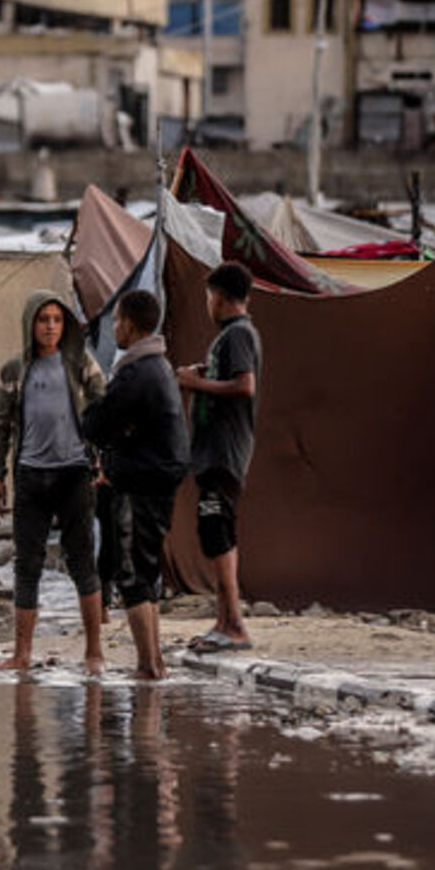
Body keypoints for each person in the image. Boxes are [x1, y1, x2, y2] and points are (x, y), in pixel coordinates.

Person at [0, 290, 107, 674]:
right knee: (27, 565)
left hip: (74, 473)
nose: (51, 327)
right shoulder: (14, 370)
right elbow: (0, 424)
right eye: (44, 320)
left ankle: (94, 653)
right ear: (30, 324)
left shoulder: (78, 363)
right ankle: (21, 654)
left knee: (82, 563)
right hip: (29, 475)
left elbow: (103, 403)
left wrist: (101, 456)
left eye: (57, 320)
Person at [82, 290, 190, 679]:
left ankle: (148, 664)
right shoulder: (157, 366)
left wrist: (111, 427)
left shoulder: (136, 372)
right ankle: (154, 661)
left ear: (128, 322)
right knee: (146, 569)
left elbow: (96, 424)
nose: (114, 329)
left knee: (132, 575)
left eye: (115, 322)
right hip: (159, 474)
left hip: (141, 479)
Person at [177, 260, 263, 652]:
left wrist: (197, 383)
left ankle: (235, 626)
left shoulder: (239, 335)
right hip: (212, 453)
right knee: (215, 535)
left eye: (210, 297)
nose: (208, 304)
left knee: (220, 535)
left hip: (225, 452)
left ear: (223, 298)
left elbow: (245, 386)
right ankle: (224, 622)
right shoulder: (226, 339)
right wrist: (202, 375)